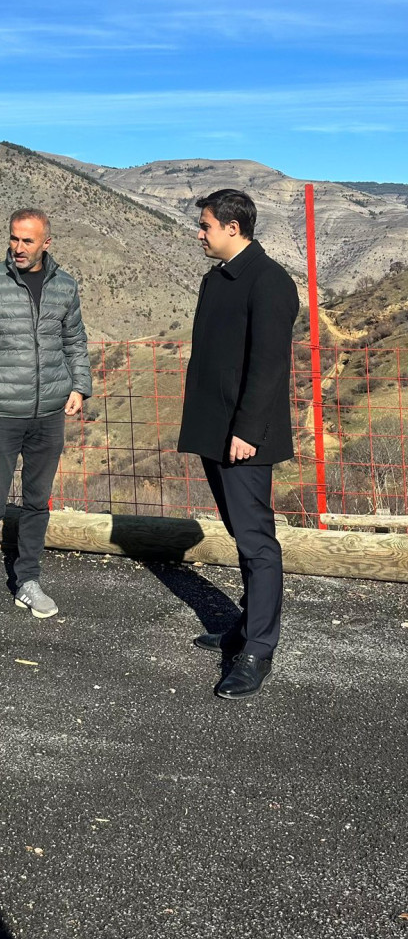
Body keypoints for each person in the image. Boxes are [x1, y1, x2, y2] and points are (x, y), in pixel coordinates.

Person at [178, 189, 299, 699]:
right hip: (215, 430)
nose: (199, 234)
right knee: (240, 531)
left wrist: (247, 430)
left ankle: (258, 650)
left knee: (256, 542)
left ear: (233, 227)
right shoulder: (217, 279)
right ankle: (246, 628)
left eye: (205, 225)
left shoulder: (269, 282)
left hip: (244, 437)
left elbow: (268, 366)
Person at [0, 209, 92, 633]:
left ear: (47, 242)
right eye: (14, 238)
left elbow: (75, 340)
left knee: (36, 502)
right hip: (0, 412)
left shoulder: (65, 286)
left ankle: (28, 580)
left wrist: (79, 387)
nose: (18, 247)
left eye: (28, 240)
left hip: (49, 413)